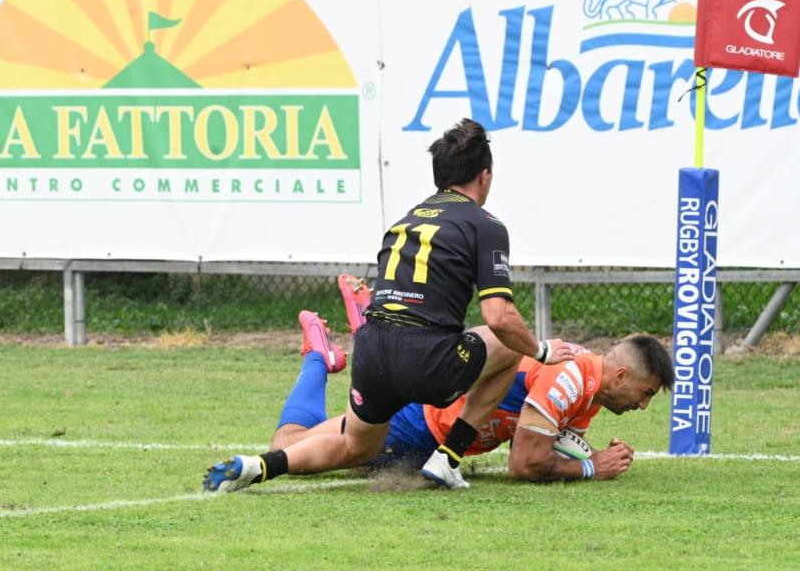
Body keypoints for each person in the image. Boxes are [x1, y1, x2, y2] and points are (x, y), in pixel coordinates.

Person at [204, 118, 575, 492]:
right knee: (510, 347)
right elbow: (498, 316)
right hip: (427, 361)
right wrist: (540, 351)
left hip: (372, 352)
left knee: (355, 447)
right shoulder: (486, 225)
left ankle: (259, 466)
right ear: (484, 176)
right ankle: (449, 457)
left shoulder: (405, 221)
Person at [267, 293, 674, 481]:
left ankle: (362, 329)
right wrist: (591, 467)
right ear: (622, 376)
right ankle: (318, 355)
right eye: (646, 393)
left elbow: (545, 446)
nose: (643, 406)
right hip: (420, 422)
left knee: (350, 462)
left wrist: (592, 455)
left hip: (434, 437)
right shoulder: (569, 378)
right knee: (286, 445)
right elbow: (525, 463)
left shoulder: (589, 392)